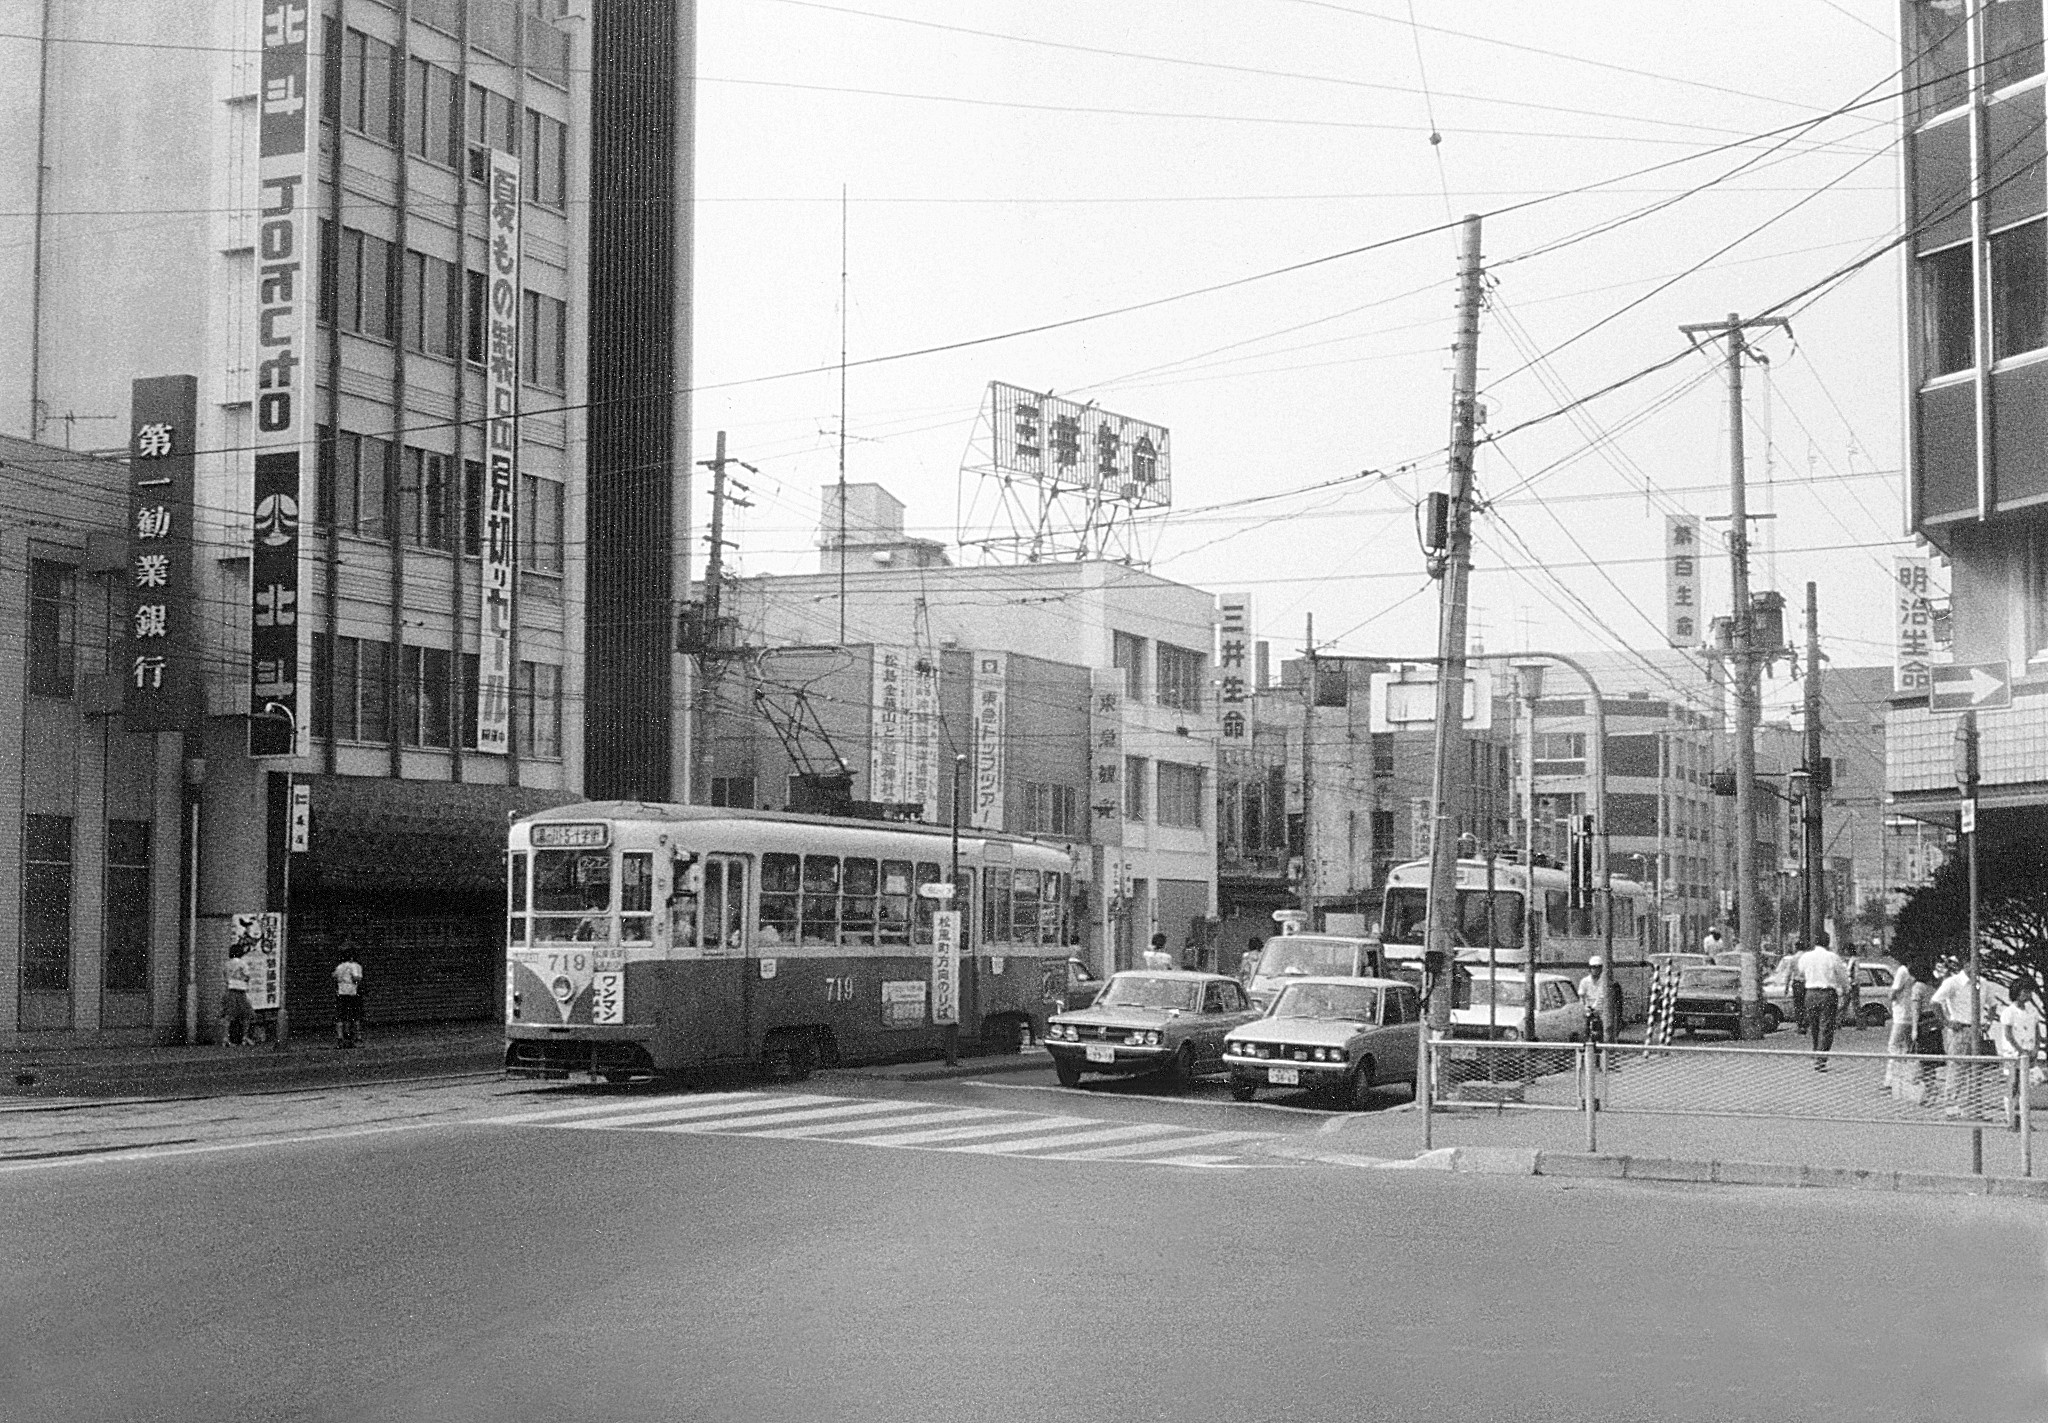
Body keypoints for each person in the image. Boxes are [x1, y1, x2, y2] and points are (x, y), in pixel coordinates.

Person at [1930, 959, 1986, 1114]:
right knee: (1957, 1068)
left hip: (1976, 1029)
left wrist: (1987, 1022)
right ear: (1966, 964)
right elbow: (1935, 1002)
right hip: (1960, 1028)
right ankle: (1951, 1106)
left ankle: (1972, 1106)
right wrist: (1947, 1022)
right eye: (1973, 963)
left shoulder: (1982, 983)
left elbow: (1991, 1002)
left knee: (1975, 1069)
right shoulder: (1953, 982)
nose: (1977, 967)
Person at [1794, 932, 1850, 1070]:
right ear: (1828, 942)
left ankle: (1816, 1051)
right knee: (1826, 1027)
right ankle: (1821, 1059)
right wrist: (1846, 989)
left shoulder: (1806, 957)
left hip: (1811, 993)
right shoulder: (1832, 957)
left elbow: (1800, 972)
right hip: (1827, 993)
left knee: (1814, 1026)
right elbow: (1842, 975)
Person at [1996, 979, 2044, 1128]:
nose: (2027, 994)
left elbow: (2036, 1031)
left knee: (2026, 1088)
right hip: (2013, 1054)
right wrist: (2019, 1049)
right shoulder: (2009, 1012)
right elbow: (2008, 1035)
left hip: (2028, 1053)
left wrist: (2035, 1048)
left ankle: (2024, 1121)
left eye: (2028, 992)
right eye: (2024, 991)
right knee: (2013, 1085)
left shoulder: (2032, 1011)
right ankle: (2010, 1119)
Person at [1885, 958, 1928, 1102]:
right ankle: (1908, 1077)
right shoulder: (1915, 980)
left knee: (1894, 1045)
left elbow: (1894, 992)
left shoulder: (1902, 971)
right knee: (1908, 1046)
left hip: (1901, 1014)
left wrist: (1890, 998)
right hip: (1910, 1014)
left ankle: (1894, 1078)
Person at [332, 942, 365, 1049]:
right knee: (355, 1016)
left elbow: (334, 976)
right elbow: (357, 978)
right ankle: (357, 1038)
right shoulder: (356, 966)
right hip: (353, 993)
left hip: (341, 993)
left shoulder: (339, 967)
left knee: (341, 1016)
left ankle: (340, 1038)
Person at [222, 944, 254, 1047]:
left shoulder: (227, 964)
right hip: (241, 990)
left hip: (230, 990)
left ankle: (225, 1038)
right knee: (246, 1014)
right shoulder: (242, 964)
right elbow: (247, 976)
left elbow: (225, 976)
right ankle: (245, 1037)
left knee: (228, 1015)